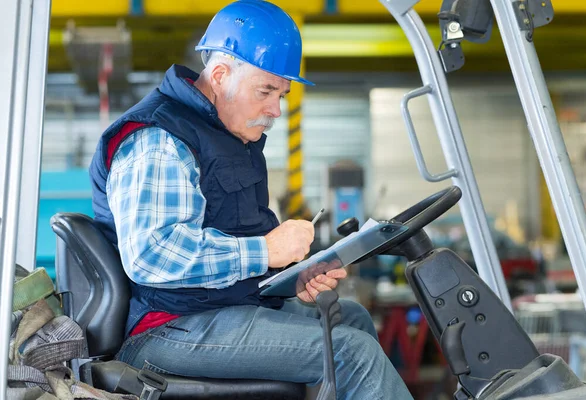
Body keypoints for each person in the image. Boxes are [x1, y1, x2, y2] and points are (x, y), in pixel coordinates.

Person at [89, 1, 413, 398]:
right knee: (351, 352)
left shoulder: (230, 137)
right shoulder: (160, 139)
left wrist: (295, 278)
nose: (276, 109)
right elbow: (153, 254)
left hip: (218, 309)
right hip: (166, 326)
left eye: (282, 93)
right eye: (266, 91)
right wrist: (266, 252)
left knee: (353, 320)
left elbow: (234, 240)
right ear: (221, 75)